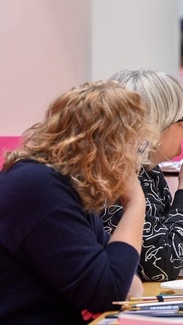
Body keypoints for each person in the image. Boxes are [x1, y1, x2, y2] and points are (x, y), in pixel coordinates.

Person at [0, 81, 152, 323]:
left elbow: (123, 280)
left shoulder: (66, 185)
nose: (135, 160)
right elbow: (109, 292)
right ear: (107, 145)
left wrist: (116, 283)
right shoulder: (39, 188)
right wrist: (135, 202)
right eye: (135, 147)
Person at [101, 69, 183, 282]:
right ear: (155, 125)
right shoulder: (114, 176)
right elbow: (161, 266)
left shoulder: (147, 170)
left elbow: (169, 243)